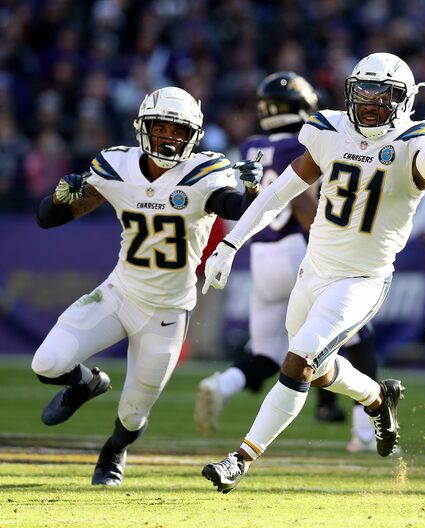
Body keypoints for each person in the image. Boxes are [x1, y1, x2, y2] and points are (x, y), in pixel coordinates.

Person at [199, 52, 425, 493]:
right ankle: (377, 398)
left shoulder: (416, 143)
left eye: (381, 95)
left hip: (361, 279)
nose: (368, 103)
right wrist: (231, 243)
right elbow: (278, 193)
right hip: (313, 271)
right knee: (318, 367)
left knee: (299, 361)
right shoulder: (330, 130)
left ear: (403, 101)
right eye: (362, 92)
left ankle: (240, 459)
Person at [32, 86, 263, 486]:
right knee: (46, 364)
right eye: (163, 128)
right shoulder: (116, 165)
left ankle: (113, 451)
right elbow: (50, 219)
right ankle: (88, 384)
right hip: (119, 294)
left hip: (168, 313)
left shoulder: (205, 173)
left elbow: (233, 207)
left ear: (193, 136)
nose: (170, 138)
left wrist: (255, 192)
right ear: (145, 128)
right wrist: (57, 197)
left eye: (179, 131)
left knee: (133, 414)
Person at [194, 71, 380, 453]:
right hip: (299, 251)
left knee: (267, 350)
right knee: (353, 338)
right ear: (302, 106)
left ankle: (223, 384)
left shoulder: (251, 145)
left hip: (261, 254)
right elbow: (303, 208)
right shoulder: (307, 141)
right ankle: (363, 430)